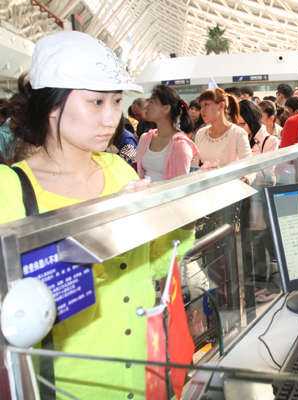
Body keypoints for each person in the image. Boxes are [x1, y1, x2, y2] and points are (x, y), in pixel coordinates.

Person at [0, 30, 152, 399]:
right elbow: (16, 310)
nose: (111, 117)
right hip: (70, 385)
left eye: (116, 102)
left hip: (147, 373)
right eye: (96, 102)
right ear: (52, 105)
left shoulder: (120, 171)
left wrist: (177, 209)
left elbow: (154, 266)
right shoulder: (10, 189)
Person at [238, 99, 280, 302]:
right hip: (245, 200)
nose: (240, 128)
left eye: (243, 124)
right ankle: (257, 284)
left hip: (261, 200)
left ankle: (271, 286)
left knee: (265, 244)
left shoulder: (269, 140)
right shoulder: (239, 140)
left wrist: (249, 171)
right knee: (250, 245)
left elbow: (269, 173)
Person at [136, 84, 198, 181]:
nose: (146, 107)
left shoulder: (180, 145)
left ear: (166, 108)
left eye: (151, 102)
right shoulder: (145, 138)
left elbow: (182, 184)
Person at [192, 88, 252, 175]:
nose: (202, 110)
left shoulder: (238, 133)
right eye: (201, 106)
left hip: (230, 185)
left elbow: (248, 166)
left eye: (206, 104)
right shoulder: (200, 133)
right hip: (206, 185)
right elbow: (195, 165)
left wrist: (245, 179)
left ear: (221, 106)